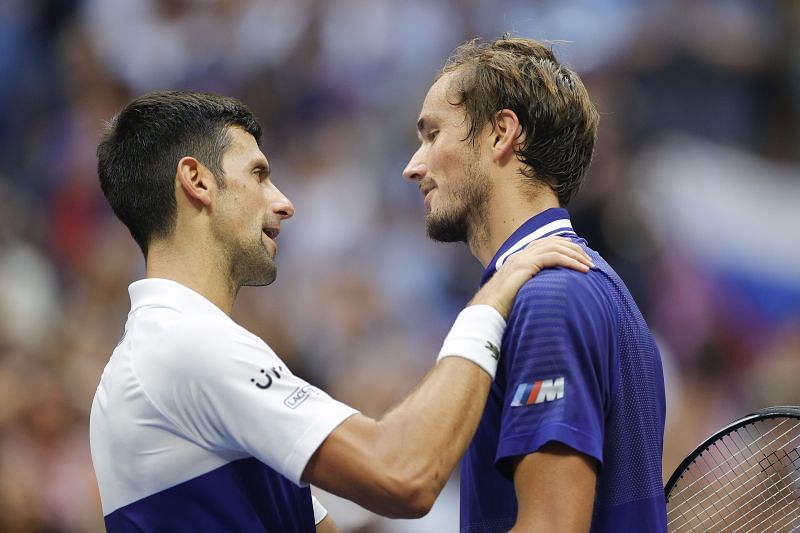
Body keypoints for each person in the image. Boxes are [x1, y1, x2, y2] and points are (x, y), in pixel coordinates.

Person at [89, 90, 594, 532]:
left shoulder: (164, 352)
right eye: (259, 175)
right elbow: (404, 475)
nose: (284, 202)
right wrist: (488, 304)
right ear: (197, 181)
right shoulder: (184, 346)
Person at [402, 37, 667, 532]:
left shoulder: (550, 298)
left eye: (433, 134)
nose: (413, 166)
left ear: (501, 133)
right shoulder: (575, 287)